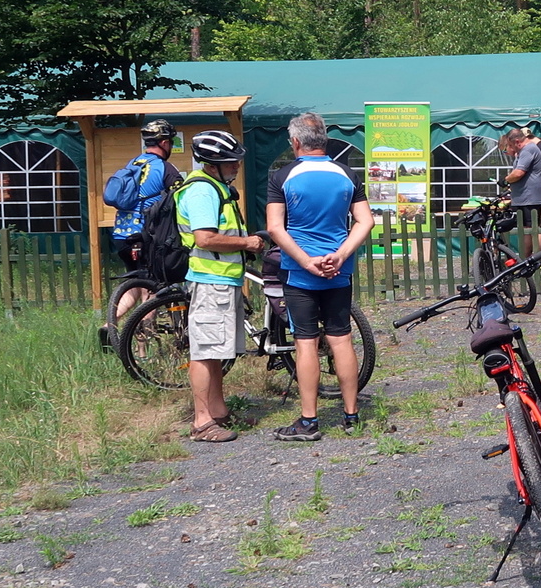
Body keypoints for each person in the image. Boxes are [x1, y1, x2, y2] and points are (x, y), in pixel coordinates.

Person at [266, 112, 374, 442]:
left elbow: (275, 228)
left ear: (295, 142)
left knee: (306, 343)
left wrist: (306, 262)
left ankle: (309, 421)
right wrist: (340, 254)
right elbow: (365, 221)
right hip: (339, 269)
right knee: (341, 339)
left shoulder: (282, 176)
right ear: (324, 139)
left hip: (301, 272)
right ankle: (351, 415)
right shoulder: (346, 174)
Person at [179, 130, 264, 444]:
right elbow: (205, 238)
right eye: (230, 162)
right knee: (203, 352)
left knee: (215, 351)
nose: (236, 166)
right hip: (209, 280)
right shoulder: (202, 192)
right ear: (211, 164)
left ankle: (217, 411)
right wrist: (247, 242)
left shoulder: (215, 187)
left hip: (222, 280)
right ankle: (202, 422)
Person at [111, 119, 180, 320]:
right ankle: (142, 348)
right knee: (150, 289)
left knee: (136, 282)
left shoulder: (134, 163)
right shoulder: (165, 168)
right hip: (146, 237)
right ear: (165, 143)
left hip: (122, 235)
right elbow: (180, 198)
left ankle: (109, 326)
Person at [502, 127, 541, 254]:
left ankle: (531, 258)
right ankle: (528, 258)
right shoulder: (523, 151)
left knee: (531, 229)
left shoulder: (529, 149)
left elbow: (518, 173)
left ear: (517, 141)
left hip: (530, 198)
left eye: (511, 145)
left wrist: (505, 180)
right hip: (523, 198)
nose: (511, 148)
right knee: (526, 229)